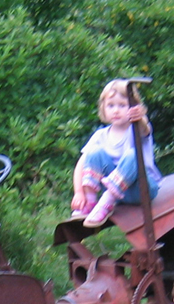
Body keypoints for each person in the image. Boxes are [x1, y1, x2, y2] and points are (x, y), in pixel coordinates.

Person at [70, 79, 163, 228]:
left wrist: (140, 118)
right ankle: (91, 202)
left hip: (142, 188)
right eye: (111, 105)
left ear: (133, 107)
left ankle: (105, 202)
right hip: (120, 195)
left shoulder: (136, 128)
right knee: (93, 153)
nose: (116, 110)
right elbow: (81, 165)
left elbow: (144, 128)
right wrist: (79, 192)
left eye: (122, 105)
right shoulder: (100, 136)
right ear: (103, 109)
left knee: (132, 155)